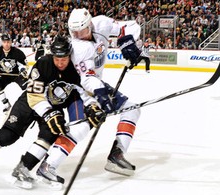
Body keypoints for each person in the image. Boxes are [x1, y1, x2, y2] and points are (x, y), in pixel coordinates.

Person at [0, 36, 104, 190]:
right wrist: (49, 113)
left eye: (63, 58)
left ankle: (22, 169)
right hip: (30, 103)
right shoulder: (44, 63)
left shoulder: (75, 69)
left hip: (53, 107)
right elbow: (34, 95)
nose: (60, 62)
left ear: (69, 55)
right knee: (7, 136)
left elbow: (83, 91)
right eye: (57, 58)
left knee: (49, 135)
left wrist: (92, 106)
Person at [34, 8, 142, 183]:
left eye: (82, 31)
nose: (79, 35)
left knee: (132, 109)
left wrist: (127, 41)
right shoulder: (77, 47)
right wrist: (101, 94)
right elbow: (86, 79)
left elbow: (131, 26)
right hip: (78, 89)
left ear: (90, 25)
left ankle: (117, 154)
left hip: (97, 84)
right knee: (82, 126)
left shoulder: (102, 23)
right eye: (74, 32)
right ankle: (48, 165)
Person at [0, 33, 29, 113]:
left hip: (16, 75)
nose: (6, 44)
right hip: (3, 75)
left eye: (8, 42)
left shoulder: (18, 52)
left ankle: (29, 105)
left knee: (28, 86)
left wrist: (22, 70)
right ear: (2, 42)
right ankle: (7, 104)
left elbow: (23, 64)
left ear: (11, 42)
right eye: (5, 42)